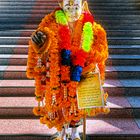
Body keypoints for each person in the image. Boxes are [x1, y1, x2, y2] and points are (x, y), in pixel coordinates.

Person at [26, 0, 110, 139]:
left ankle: (75, 132)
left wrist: (86, 60)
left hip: (81, 73)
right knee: (57, 103)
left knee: (78, 105)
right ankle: (61, 131)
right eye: (68, 7)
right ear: (61, 6)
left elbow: (101, 52)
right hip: (58, 73)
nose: (72, 11)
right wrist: (40, 44)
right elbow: (41, 48)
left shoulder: (95, 30)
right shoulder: (49, 25)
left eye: (76, 7)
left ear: (83, 5)